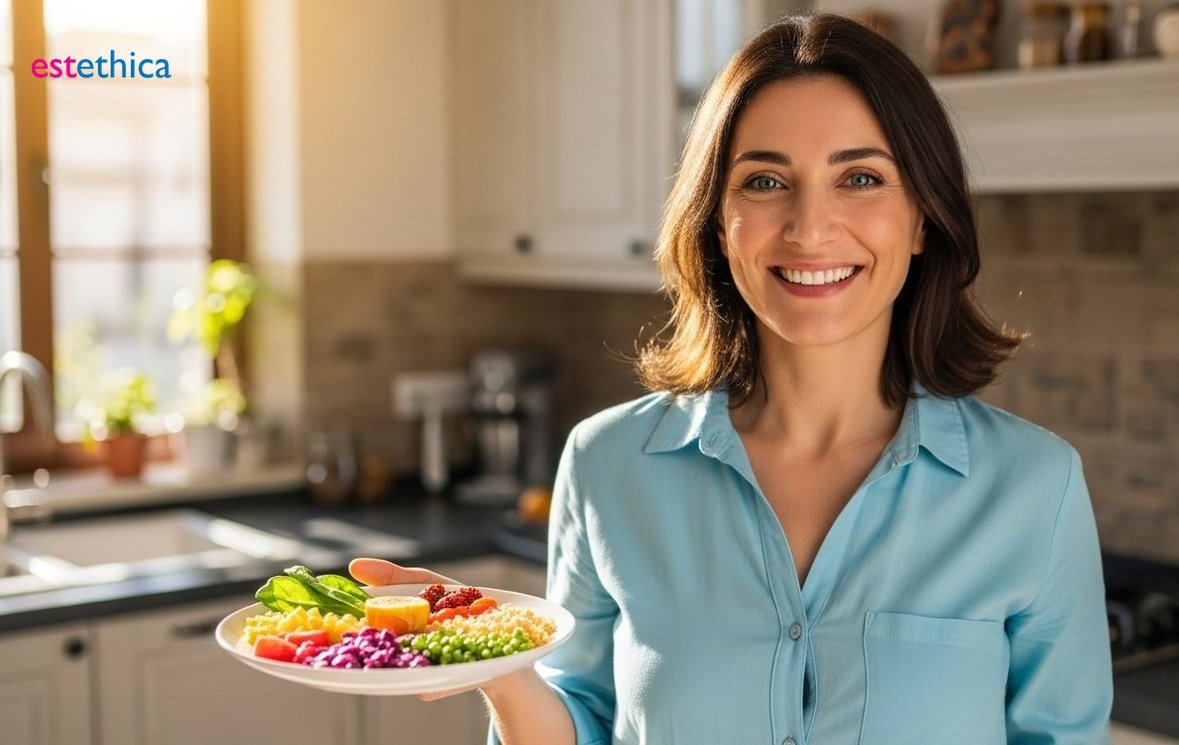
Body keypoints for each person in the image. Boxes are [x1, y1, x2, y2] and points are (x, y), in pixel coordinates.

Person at [352, 12, 1112, 745]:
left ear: (921, 218)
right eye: (764, 182)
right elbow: (578, 721)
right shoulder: (606, 466)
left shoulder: (1034, 489)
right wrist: (503, 671)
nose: (810, 227)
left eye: (860, 178)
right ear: (718, 221)